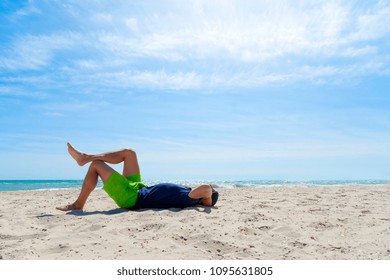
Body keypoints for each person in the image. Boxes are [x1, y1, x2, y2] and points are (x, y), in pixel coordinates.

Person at [56, 143, 218, 211]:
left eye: (208, 195)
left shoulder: (189, 199)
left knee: (96, 166)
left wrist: (209, 198)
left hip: (132, 198)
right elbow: (205, 189)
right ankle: (86, 156)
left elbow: (205, 189)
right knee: (130, 153)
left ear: (205, 199)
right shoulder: (189, 194)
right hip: (139, 187)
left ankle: (78, 204)